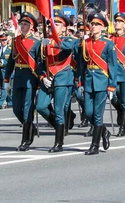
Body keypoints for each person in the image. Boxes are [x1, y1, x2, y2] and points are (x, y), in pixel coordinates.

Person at [36, 13, 80, 153]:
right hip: (48, 79)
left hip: (63, 78)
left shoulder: (70, 40)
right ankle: (59, 126)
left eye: (57, 24)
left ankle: (58, 142)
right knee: (41, 106)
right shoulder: (45, 42)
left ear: (65, 27)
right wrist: (43, 76)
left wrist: (52, 42)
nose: (52, 28)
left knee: (59, 110)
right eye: (50, 25)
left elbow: (67, 47)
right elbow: (40, 63)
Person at [78, 13, 118, 155]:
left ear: (103, 27)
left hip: (102, 81)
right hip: (89, 80)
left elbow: (112, 66)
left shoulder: (108, 43)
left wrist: (112, 85)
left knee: (97, 115)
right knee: (88, 112)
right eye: (92, 24)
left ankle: (94, 146)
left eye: (97, 24)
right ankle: (104, 131)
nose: (93, 27)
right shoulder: (85, 42)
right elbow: (82, 64)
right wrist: (81, 81)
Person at [4, 12, 43, 151]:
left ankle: (26, 139)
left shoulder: (36, 43)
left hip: (30, 77)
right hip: (18, 76)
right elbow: (11, 61)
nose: (23, 26)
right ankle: (31, 128)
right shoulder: (16, 41)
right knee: (16, 109)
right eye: (21, 24)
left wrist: (41, 80)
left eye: (26, 24)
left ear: (31, 26)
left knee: (27, 110)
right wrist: (7, 79)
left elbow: (39, 63)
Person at [0, 34, 11, 109]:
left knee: (4, 88)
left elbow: (11, 61)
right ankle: (10, 102)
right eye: (2, 40)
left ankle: (0, 103)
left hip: (6, 71)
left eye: (5, 40)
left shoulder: (10, 50)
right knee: (3, 88)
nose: (4, 42)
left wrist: (3, 62)